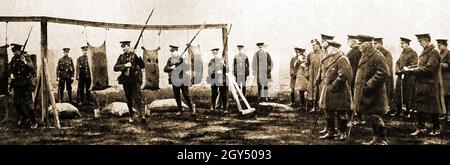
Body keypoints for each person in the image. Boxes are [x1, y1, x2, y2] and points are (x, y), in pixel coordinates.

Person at [403, 34, 446, 136]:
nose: (420, 43)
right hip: (422, 84)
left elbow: (429, 69)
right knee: (420, 107)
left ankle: (436, 128)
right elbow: (421, 65)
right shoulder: (426, 51)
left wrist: (413, 70)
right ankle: (420, 128)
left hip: (430, 85)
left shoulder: (434, 52)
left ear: (426, 40)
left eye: (420, 41)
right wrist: (412, 67)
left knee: (432, 109)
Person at [353, 35, 389, 145]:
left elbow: (384, 73)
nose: (359, 46)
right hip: (368, 92)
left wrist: (369, 84)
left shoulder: (377, 56)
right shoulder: (365, 54)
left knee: (376, 116)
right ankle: (376, 139)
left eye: (360, 44)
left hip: (375, 92)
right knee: (372, 116)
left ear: (367, 44)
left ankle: (382, 140)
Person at [318, 41, 353, 140]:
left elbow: (344, 75)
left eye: (327, 48)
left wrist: (334, 86)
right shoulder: (331, 58)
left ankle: (342, 133)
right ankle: (331, 132)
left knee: (341, 112)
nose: (326, 50)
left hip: (339, 90)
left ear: (334, 48)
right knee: (328, 111)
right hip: (330, 90)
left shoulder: (342, 58)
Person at [114, 41, 146, 123]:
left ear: (129, 46)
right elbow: (115, 67)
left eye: (125, 46)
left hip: (135, 80)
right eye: (122, 47)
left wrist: (138, 55)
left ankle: (142, 116)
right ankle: (131, 115)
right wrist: (125, 65)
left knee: (138, 97)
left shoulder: (135, 56)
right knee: (129, 99)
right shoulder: (121, 57)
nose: (123, 48)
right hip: (125, 80)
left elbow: (142, 65)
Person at [8, 43, 37, 129]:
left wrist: (24, 61)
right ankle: (24, 117)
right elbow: (10, 69)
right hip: (17, 84)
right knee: (15, 103)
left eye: (15, 51)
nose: (14, 53)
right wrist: (11, 74)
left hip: (25, 84)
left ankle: (34, 121)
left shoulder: (26, 58)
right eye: (13, 52)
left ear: (19, 51)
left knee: (28, 103)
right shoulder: (14, 59)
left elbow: (32, 70)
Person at [163, 45, 196, 116]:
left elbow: (187, 68)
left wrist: (178, 66)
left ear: (177, 51)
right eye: (171, 52)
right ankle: (180, 110)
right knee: (177, 96)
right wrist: (171, 68)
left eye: (173, 51)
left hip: (183, 79)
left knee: (186, 94)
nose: (172, 53)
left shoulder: (181, 59)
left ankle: (192, 109)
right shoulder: (170, 60)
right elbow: (165, 69)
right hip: (174, 80)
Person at [391, 37, 418, 118]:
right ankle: (398, 111)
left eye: (402, 43)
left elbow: (414, 65)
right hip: (401, 77)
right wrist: (397, 70)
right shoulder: (403, 53)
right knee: (398, 94)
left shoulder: (413, 53)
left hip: (409, 78)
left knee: (408, 95)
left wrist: (403, 70)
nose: (401, 45)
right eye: (401, 43)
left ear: (407, 44)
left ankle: (408, 112)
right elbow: (398, 62)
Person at [374, 38, 394, 113]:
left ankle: (386, 109)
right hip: (379, 76)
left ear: (380, 44)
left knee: (386, 94)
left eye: (376, 43)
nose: (374, 45)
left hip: (385, 78)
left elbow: (388, 66)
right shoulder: (376, 53)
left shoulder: (386, 53)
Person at [207, 48, 229, 113]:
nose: (215, 53)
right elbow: (209, 71)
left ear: (218, 53)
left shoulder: (222, 60)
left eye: (216, 52)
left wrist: (224, 65)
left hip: (222, 79)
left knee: (224, 94)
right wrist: (215, 72)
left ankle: (225, 108)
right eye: (213, 52)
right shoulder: (211, 61)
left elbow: (227, 70)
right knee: (214, 93)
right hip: (214, 79)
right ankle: (213, 107)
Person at [305, 39, 322, 111]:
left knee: (320, 90)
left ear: (318, 45)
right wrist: (307, 73)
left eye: (314, 45)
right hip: (312, 75)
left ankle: (321, 107)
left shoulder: (323, 53)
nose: (313, 46)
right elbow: (307, 64)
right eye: (312, 45)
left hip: (321, 75)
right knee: (312, 91)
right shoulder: (310, 54)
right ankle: (314, 107)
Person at [437, 39, 450, 119]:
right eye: (438, 45)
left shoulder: (448, 54)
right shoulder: (440, 54)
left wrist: (440, 65)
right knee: (443, 96)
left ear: (445, 45)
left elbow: (448, 66)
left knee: (448, 96)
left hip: (447, 79)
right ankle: (444, 114)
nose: (438, 47)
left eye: (440, 45)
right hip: (441, 78)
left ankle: (448, 115)